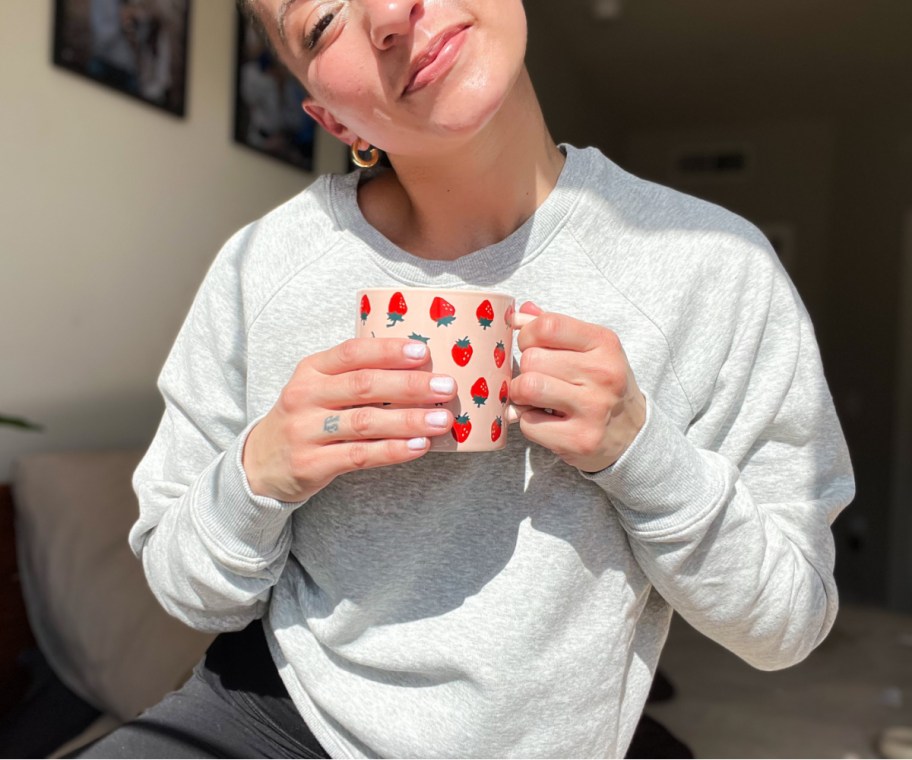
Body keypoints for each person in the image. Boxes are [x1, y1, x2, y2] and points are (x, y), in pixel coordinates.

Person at [75, 0, 855, 757]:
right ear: (332, 121)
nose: (389, 12)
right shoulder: (262, 266)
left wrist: (641, 452)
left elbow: (787, 623)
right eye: (322, 21)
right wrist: (262, 470)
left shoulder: (717, 269)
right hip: (279, 712)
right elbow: (185, 589)